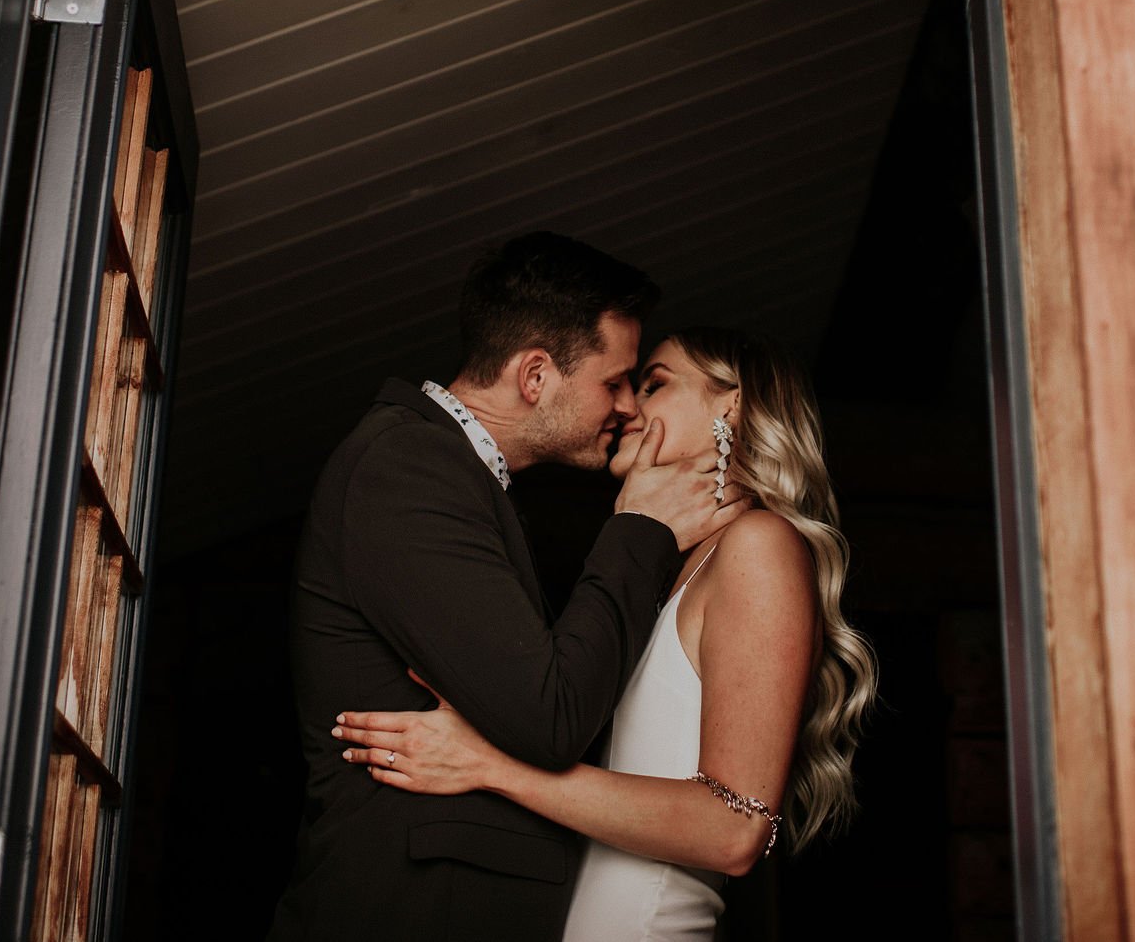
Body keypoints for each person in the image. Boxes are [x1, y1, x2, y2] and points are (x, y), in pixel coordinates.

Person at [266, 234, 747, 942]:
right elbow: (548, 716)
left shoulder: (454, 475)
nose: (625, 407)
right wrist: (638, 527)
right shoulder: (406, 465)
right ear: (534, 375)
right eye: (614, 381)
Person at [333, 327, 878, 942]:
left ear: (732, 404)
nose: (627, 408)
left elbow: (737, 830)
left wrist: (489, 764)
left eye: (654, 385)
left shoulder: (760, 544)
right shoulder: (677, 568)